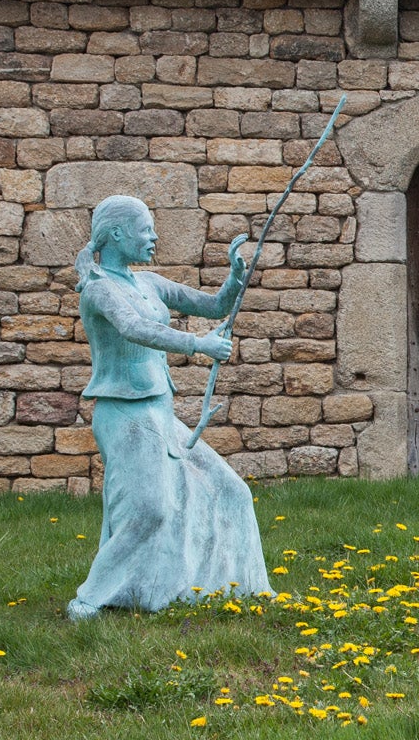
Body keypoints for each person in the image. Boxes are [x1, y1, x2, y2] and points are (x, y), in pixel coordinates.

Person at [66, 195, 268, 619]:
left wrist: (234, 279)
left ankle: (227, 586)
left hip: (159, 410)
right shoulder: (100, 290)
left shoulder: (150, 282)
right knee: (149, 509)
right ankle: (90, 598)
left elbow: (213, 306)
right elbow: (134, 328)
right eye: (146, 229)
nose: (154, 236)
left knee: (232, 492)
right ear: (118, 234)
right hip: (124, 413)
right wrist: (199, 345)